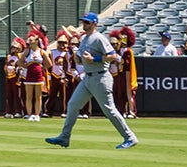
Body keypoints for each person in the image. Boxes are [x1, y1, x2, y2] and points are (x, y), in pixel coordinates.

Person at [46, 12, 138, 150]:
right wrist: (77, 57)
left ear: (94, 23)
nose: (84, 24)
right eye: (84, 21)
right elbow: (81, 60)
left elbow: (113, 55)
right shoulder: (84, 38)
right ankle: (65, 137)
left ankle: (130, 137)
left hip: (101, 77)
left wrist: (94, 59)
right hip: (88, 77)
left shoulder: (99, 38)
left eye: (87, 22)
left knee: (109, 110)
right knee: (73, 105)